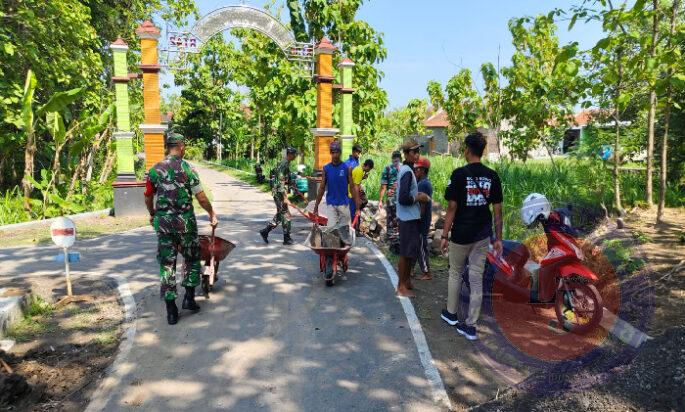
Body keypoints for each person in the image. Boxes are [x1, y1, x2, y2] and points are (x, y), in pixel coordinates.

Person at [144, 132, 218, 325]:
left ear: (168, 146)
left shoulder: (154, 170)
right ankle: (189, 298)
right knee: (192, 259)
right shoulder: (188, 169)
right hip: (185, 224)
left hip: (164, 226)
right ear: (181, 146)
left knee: (167, 264)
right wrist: (212, 214)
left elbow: (148, 196)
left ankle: (171, 311)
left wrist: (153, 214)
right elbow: (201, 197)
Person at [440, 131, 503, 341]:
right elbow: (497, 210)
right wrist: (499, 239)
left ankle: (451, 314)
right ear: (483, 150)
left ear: (467, 149)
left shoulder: (459, 174)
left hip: (461, 234)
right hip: (482, 235)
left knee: (455, 272)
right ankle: (471, 326)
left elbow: (451, 207)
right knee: (476, 278)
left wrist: (444, 234)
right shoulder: (492, 176)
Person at [396, 139, 431, 297]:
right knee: (405, 253)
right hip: (407, 218)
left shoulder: (408, 169)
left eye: (418, 151)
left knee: (410, 252)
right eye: (414, 151)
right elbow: (403, 198)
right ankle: (401, 286)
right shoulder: (407, 172)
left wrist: (416, 196)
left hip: (409, 217)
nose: (417, 154)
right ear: (406, 153)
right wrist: (419, 198)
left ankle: (407, 281)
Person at [260, 147, 298, 245]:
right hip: (279, 193)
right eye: (294, 154)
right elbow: (281, 181)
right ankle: (287, 238)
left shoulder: (285, 163)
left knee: (281, 214)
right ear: (290, 155)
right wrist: (285, 197)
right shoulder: (284, 164)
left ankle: (266, 231)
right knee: (286, 215)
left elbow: (286, 177)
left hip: (278, 192)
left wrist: (292, 184)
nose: (295, 156)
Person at [313, 142, 356, 229]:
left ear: (340, 153)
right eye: (333, 152)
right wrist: (316, 205)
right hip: (331, 204)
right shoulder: (326, 168)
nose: (335, 155)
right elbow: (321, 188)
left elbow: (352, 187)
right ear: (330, 153)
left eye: (337, 152)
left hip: (344, 204)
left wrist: (357, 204)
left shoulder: (347, 168)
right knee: (331, 229)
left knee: (345, 230)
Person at [378, 151, 402, 252]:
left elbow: (383, 186)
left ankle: (392, 243)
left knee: (391, 220)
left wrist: (380, 200)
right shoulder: (406, 168)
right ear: (400, 158)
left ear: (392, 158)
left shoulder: (388, 169)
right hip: (403, 200)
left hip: (392, 200)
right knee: (401, 220)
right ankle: (401, 241)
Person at [414, 156, 433, 280]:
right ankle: (411, 269)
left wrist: (418, 218)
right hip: (424, 219)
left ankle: (426, 272)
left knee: (421, 245)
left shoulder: (422, 184)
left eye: (417, 169)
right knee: (418, 245)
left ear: (422, 170)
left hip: (422, 220)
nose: (415, 171)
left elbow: (423, 204)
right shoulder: (425, 182)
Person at [349, 159, 375, 233]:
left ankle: (355, 230)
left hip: (352, 193)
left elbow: (355, 181)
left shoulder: (359, 169)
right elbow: (356, 187)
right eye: (369, 169)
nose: (369, 171)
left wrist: (363, 177)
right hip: (352, 194)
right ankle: (354, 231)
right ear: (367, 166)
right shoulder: (359, 171)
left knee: (359, 209)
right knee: (355, 212)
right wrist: (357, 199)